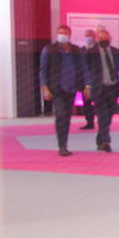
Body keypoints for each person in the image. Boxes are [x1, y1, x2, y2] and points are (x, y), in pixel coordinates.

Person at [39, 23, 88, 156]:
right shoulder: (49, 49)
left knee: (67, 117)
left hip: (71, 88)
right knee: (60, 116)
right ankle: (62, 146)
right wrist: (45, 88)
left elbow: (83, 68)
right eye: (60, 32)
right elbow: (43, 70)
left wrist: (86, 86)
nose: (63, 35)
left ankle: (64, 143)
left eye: (65, 33)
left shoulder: (76, 50)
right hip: (56, 88)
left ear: (69, 35)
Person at [84, 27, 119, 152]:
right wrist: (88, 86)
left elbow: (116, 70)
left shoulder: (116, 52)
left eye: (106, 38)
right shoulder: (90, 52)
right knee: (102, 116)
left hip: (112, 88)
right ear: (96, 39)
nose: (104, 40)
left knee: (109, 116)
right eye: (101, 38)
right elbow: (87, 70)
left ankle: (100, 140)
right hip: (99, 88)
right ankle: (106, 141)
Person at [79, 28, 97, 128]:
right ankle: (89, 122)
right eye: (87, 36)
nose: (88, 38)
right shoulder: (81, 50)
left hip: (97, 80)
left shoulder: (98, 50)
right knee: (86, 102)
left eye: (90, 35)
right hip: (85, 81)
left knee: (99, 102)